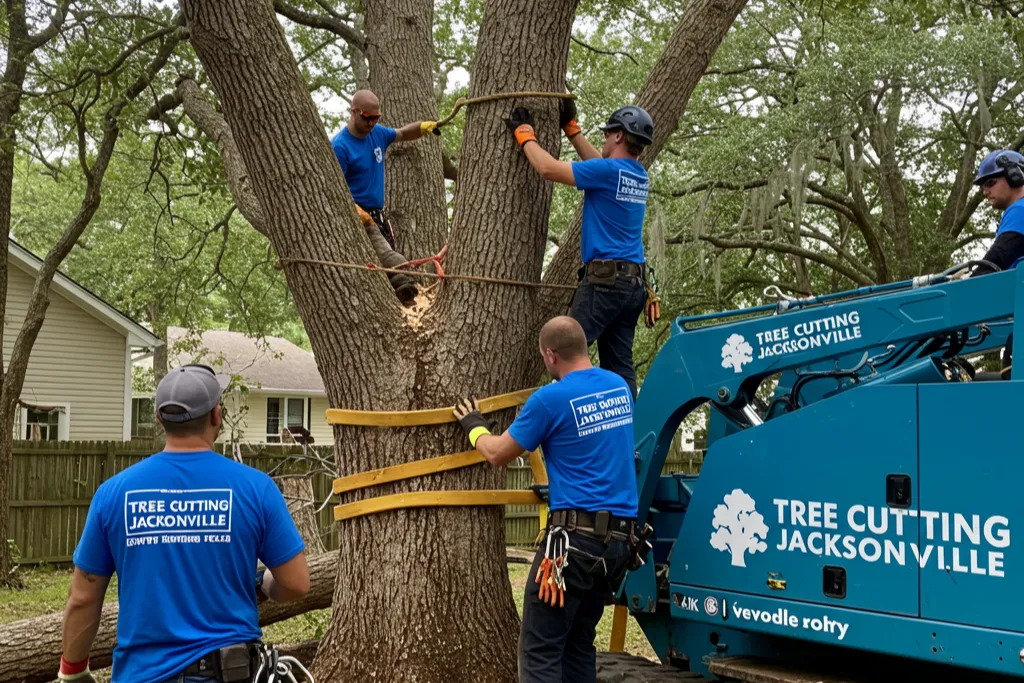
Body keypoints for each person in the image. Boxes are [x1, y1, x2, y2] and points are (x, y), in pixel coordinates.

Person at [58, 364, 310, 683]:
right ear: (217, 415)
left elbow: (83, 599)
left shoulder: (114, 494)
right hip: (230, 674)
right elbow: (296, 583)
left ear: (160, 419)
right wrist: (265, 584)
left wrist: (73, 671)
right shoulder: (255, 489)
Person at [453, 316, 642, 683]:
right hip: (617, 546)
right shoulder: (619, 388)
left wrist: (474, 425)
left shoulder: (551, 399)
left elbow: (496, 453)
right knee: (577, 645)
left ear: (551, 355)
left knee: (540, 650)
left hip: (573, 548)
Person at [505, 99, 656, 397]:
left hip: (605, 285)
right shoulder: (638, 175)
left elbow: (547, 169)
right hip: (631, 288)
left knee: (563, 349)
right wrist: (572, 131)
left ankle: (557, 421)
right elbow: (598, 165)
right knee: (620, 368)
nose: (603, 139)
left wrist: (525, 136)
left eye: (606, 134)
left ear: (618, 136)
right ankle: (624, 431)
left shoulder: (609, 172)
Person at [331, 88, 440, 250]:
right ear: (353, 111)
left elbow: (402, 134)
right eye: (367, 117)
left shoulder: (378, 133)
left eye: (376, 118)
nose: (371, 123)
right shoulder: (340, 147)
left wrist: (423, 127)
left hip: (378, 216)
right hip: (358, 218)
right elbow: (334, 191)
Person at [969, 149, 1024, 378]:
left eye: (990, 182)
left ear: (1015, 176)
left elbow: (994, 263)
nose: (985, 190)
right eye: (982, 185)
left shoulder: (1020, 210)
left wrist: (958, 292)